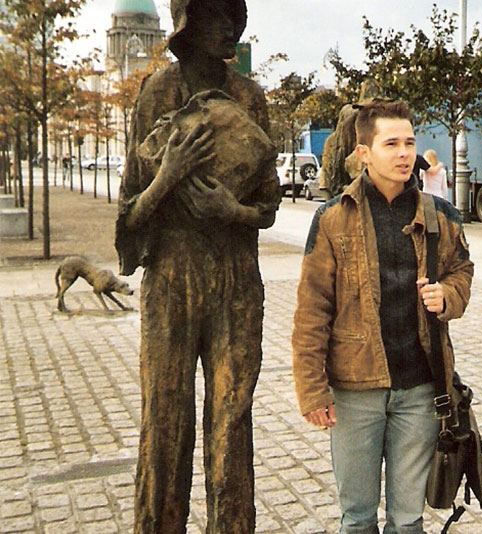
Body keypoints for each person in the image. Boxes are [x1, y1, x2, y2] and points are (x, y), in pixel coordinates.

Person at [114, 0, 280, 532]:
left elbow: (270, 205)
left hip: (234, 281)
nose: (229, 26)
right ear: (188, 25)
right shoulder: (155, 95)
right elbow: (129, 215)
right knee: (165, 419)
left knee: (232, 422)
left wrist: (230, 210)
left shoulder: (250, 97)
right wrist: (168, 175)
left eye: (234, 16)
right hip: (171, 278)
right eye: (215, 16)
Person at [292, 100, 473, 534]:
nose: (404, 153)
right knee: (356, 519)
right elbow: (312, 310)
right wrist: (312, 390)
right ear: (363, 153)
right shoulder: (333, 218)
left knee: (408, 520)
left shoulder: (441, 215)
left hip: (420, 388)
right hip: (356, 392)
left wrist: (446, 295)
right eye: (390, 143)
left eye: (409, 142)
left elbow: (462, 274)